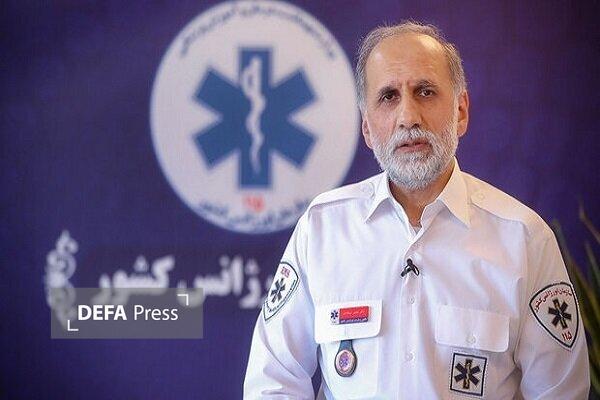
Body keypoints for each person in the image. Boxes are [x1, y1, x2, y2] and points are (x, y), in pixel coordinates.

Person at [244, 21, 590, 399]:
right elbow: (272, 382)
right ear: (367, 127)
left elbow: (561, 392)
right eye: (388, 96)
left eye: (425, 92)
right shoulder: (323, 228)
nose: (408, 117)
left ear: (460, 111)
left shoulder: (524, 238)